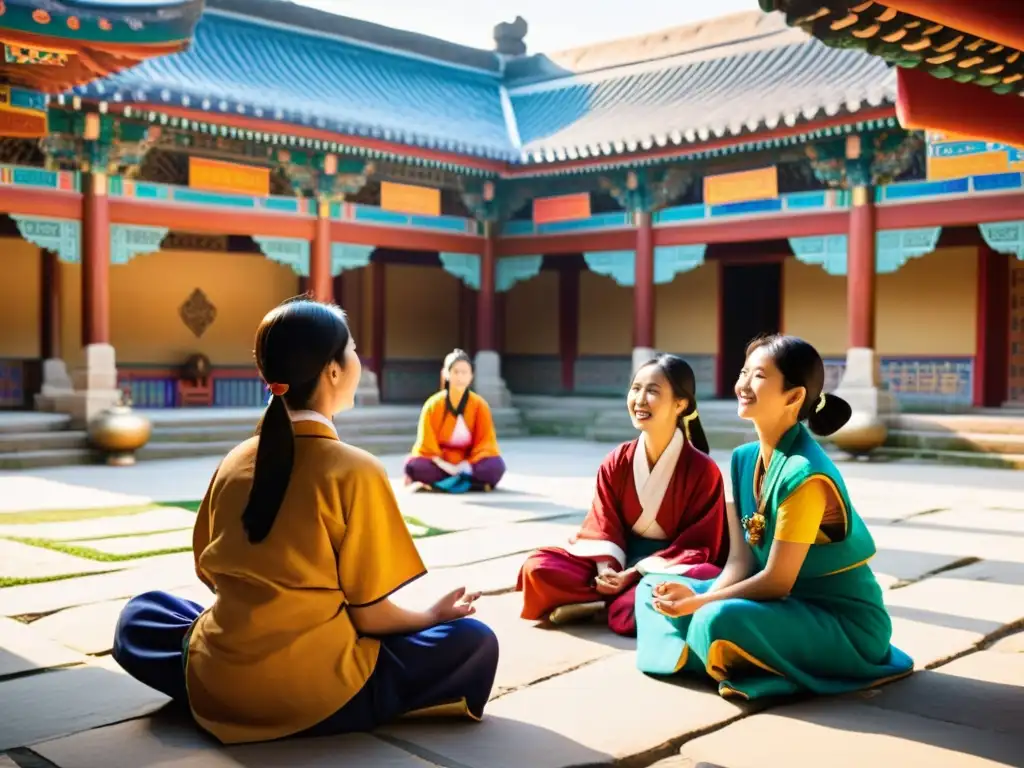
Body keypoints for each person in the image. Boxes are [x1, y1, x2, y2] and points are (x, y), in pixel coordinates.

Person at [110, 298, 499, 745]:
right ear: (332, 371)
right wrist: (430, 614)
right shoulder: (356, 469)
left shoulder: (235, 460)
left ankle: (218, 683)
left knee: (141, 615)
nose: (359, 360)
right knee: (473, 641)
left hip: (221, 677)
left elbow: (212, 576)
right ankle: (336, 705)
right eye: (352, 350)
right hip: (319, 689)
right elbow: (369, 617)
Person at [635, 335, 914, 700]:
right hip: (778, 609)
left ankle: (727, 655)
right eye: (743, 372)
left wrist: (700, 604)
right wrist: (694, 596)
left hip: (838, 622)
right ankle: (731, 657)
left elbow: (776, 582)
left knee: (715, 619)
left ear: (794, 396)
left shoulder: (806, 474)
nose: (743, 385)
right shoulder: (743, 459)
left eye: (759, 376)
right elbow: (739, 562)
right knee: (651, 588)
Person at [517, 354, 728, 637]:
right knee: (538, 568)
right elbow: (603, 525)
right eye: (635, 388)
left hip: (668, 568)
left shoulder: (703, 470)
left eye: (652, 391)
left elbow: (699, 545)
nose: (639, 399)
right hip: (615, 559)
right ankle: (605, 599)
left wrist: (634, 573)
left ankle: (597, 604)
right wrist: (608, 571)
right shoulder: (617, 461)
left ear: (681, 404)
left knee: (682, 585)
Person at [404, 348, 506, 493]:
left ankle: (448, 481)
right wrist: (442, 463)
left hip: (470, 461)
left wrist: (466, 465)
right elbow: (426, 442)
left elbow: (486, 442)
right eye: (455, 372)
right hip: (440, 462)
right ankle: (471, 482)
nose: (460, 377)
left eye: (464, 372)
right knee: (414, 466)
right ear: (446, 374)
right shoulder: (433, 405)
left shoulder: (479, 405)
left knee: (495, 466)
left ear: (471, 376)